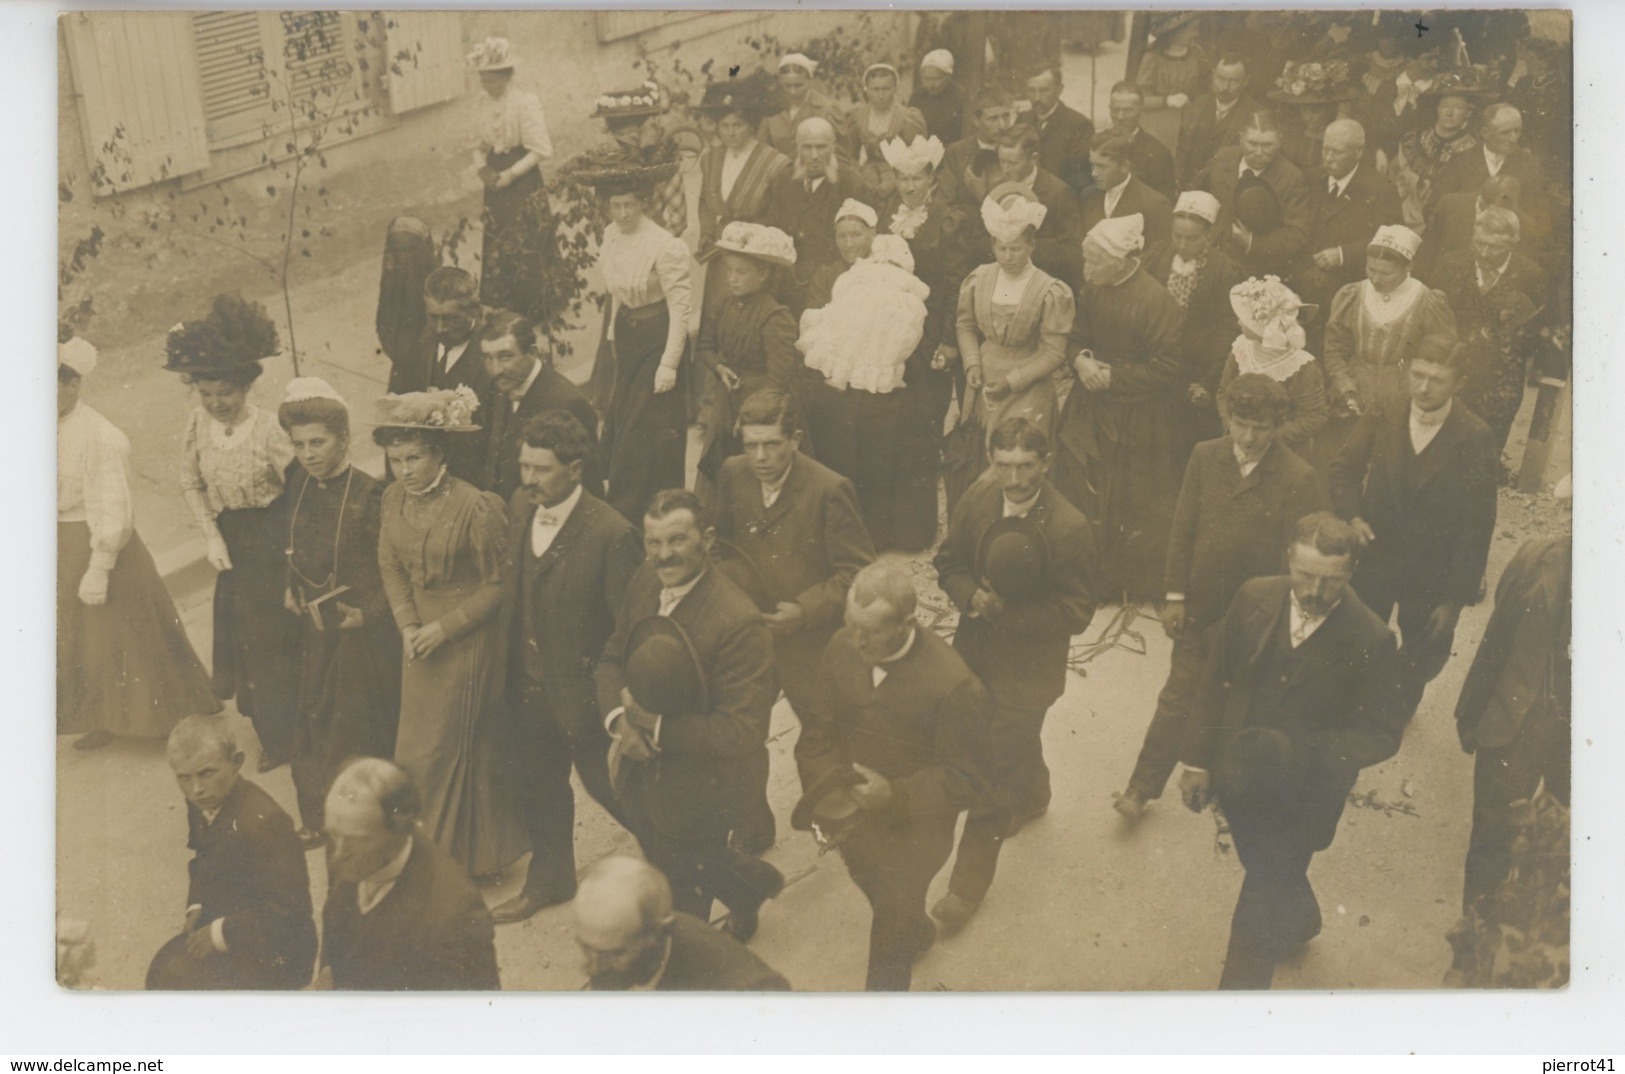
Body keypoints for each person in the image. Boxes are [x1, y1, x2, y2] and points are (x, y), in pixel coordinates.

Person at [1178, 512, 1405, 990]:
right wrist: (1197, 761)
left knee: (1257, 905)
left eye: (1330, 582)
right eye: (1304, 575)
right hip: (1238, 777)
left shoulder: (1370, 638)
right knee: (1266, 867)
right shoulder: (1254, 596)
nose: (1315, 592)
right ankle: (1300, 917)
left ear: (1350, 575)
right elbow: (1214, 679)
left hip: (1305, 797)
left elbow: (1382, 731)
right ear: (1288, 561)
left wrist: (1306, 750)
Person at [1114, 375, 1326, 818]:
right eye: (1240, 423)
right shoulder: (1204, 456)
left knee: (1242, 708)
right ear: (1227, 417)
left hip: (1256, 618)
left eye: (1261, 428)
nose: (1248, 438)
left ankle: (1229, 797)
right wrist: (1175, 594)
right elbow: (1183, 526)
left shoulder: (1298, 477)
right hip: (1200, 610)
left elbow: (1297, 560)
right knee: (1177, 699)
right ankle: (1140, 789)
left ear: (1278, 425)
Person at [930, 420, 1097, 934]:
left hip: (1029, 673)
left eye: (1026, 466)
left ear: (1046, 464)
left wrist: (1006, 614)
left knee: (991, 768)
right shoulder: (979, 500)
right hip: (974, 658)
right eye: (1003, 464)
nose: (1014, 478)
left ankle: (966, 888)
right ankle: (1034, 796)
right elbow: (948, 561)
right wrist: (968, 596)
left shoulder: (1070, 527)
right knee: (1007, 746)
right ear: (991, 460)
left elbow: (1077, 612)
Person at [795, 559, 993, 990]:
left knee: (889, 927)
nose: (856, 638)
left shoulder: (954, 684)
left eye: (870, 630)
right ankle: (917, 931)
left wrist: (896, 796)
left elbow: (968, 780)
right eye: (850, 624)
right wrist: (827, 794)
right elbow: (817, 734)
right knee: (872, 885)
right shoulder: (842, 645)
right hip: (853, 815)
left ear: (907, 623)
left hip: (916, 831)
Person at [597, 490, 786, 942]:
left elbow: (743, 731)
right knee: (680, 857)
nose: (664, 555)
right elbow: (611, 655)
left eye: (678, 540)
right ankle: (750, 888)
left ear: (708, 539)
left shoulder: (738, 620)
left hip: (705, 790)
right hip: (641, 773)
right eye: (654, 542)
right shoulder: (645, 579)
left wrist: (655, 728)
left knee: (682, 912)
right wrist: (622, 720)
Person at [491, 411, 643, 924]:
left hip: (585, 697)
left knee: (616, 792)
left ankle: (706, 871)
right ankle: (550, 880)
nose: (527, 479)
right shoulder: (520, 505)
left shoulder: (612, 533)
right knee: (537, 785)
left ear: (575, 469)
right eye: (524, 466)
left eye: (541, 469)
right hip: (528, 688)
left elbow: (629, 631)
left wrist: (618, 702)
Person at [712, 388, 876, 850]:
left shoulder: (829, 490)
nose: (760, 457)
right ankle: (751, 825)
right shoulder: (732, 475)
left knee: (822, 735)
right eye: (750, 445)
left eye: (772, 445)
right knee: (739, 732)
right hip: (753, 636)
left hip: (812, 641)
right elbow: (724, 544)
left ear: (796, 439)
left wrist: (805, 610)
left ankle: (836, 818)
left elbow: (858, 573)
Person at [374, 391, 528, 878]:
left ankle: (464, 864)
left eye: (414, 457)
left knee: (452, 751)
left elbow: (500, 588)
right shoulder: (392, 498)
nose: (405, 470)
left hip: (466, 641)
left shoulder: (476, 507)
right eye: (396, 459)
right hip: (418, 641)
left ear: (440, 452)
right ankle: (422, 858)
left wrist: (444, 627)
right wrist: (407, 625)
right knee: (416, 751)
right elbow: (390, 563)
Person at [57, 339, 220, 749]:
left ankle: (160, 720)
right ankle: (102, 716)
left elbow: (113, 506)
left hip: (101, 544)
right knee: (81, 639)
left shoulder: (101, 437)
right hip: (61, 542)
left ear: (74, 384)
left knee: (125, 635)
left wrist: (100, 565)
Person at [164, 294, 300, 771]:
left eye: (224, 392)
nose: (216, 403)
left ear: (245, 385)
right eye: (206, 393)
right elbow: (190, 481)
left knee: (274, 644)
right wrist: (211, 536)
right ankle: (269, 731)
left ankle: (290, 737)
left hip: (274, 542)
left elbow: (298, 492)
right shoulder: (198, 423)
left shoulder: (268, 431)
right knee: (243, 645)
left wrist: (291, 551)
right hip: (233, 543)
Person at [1329, 339, 1498, 720]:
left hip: (1431, 569)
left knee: (1421, 645)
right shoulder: (1385, 409)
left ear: (1459, 383)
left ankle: (1396, 712)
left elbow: (1478, 525)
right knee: (1359, 634)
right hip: (1375, 555)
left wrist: (1455, 600)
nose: (1423, 388)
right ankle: (1351, 706)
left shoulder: (1475, 436)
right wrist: (1353, 517)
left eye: (1437, 380)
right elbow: (1343, 469)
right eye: (1417, 375)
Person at [279, 379, 400, 850]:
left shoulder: (371, 496)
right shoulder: (301, 485)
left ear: (344, 440)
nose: (307, 454)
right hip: (316, 631)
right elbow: (293, 546)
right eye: (298, 444)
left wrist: (368, 614)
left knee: (353, 729)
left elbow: (395, 572)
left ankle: (370, 823)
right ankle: (320, 818)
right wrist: (290, 585)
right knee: (311, 720)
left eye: (318, 443)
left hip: (362, 636)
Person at [1451, 479, 1570, 954]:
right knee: (1493, 837)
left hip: (1587, 736)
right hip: (1517, 719)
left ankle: (1530, 951)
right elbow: (1497, 639)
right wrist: (1472, 708)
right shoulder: (1537, 558)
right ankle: (1472, 952)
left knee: (1562, 844)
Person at [1052, 213, 1186, 603]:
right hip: (1091, 406)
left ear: (1123, 262)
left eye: (1094, 261)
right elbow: (1076, 337)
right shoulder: (1094, 288)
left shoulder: (1155, 300)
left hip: (1137, 416)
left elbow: (1168, 368)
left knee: (1130, 501)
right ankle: (1086, 574)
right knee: (1083, 490)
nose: (1086, 269)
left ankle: (1128, 583)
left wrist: (1113, 378)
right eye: (1086, 260)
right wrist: (1080, 361)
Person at [568, 149, 693, 527]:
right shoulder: (610, 236)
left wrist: (669, 364)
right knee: (623, 426)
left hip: (657, 341)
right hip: (627, 339)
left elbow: (681, 309)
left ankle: (649, 513)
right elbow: (618, 295)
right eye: (615, 205)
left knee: (649, 435)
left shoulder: (665, 245)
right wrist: (610, 338)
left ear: (643, 203)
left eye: (629, 205)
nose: (622, 213)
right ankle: (625, 512)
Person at [146, 715, 316, 990]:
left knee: (173, 982)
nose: (196, 789)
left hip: (277, 950)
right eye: (184, 778)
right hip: (234, 920)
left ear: (236, 763)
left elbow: (290, 911)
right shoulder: (205, 799)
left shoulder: (265, 822)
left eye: (207, 773)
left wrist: (219, 932)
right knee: (164, 972)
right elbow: (203, 857)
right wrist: (196, 905)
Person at [317, 759, 500, 990]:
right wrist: (328, 968)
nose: (338, 853)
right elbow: (338, 911)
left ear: (398, 832)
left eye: (355, 841)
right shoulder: (348, 844)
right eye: (333, 835)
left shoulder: (453, 913)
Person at [798, 235, 930, 549]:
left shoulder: (853, 282)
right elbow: (907, 344)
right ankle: (876, 534)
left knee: (846, 458)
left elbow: (832, 324)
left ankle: (846, 532)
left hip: (841, 381)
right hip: (879, 385)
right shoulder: (907, 295)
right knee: (877, 463)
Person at [878, 133, 976, 548]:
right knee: (893, 425)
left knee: (923, 427)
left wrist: (950, 342)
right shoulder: (888, 214)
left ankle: (917, 530)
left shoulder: (950, 219)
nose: (910, 186)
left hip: (932, 333)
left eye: (918, 177)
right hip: (893, 331)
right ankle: (889, 524)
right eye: (902, 177)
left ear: (933, 178)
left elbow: (957, 285)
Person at [955, 185, 1076, 490]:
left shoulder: (1050, 290)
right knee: (980, 462)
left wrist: (1012, 382)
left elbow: (1054, 353)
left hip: (1028, 386)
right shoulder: (979, 278)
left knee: (1020, 462)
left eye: (1016, 248)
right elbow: (966, 325)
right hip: (983, 381)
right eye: (1001, 247)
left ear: (1031, 245)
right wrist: (972, 364)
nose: (1007, 256)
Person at [1319, 224, 1459, 443]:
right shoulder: (1352, 295)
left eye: (1385, 273)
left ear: (1408, 266)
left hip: (1405, 400)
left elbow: (1443, 355)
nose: (1375, 279)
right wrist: (1346, 388)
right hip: (1354, 396)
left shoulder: (1427, 301)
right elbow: (1335, 349)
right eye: (1371, 269)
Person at [576, 857, 791, 991]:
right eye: (585, 947)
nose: (594, 966)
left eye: (616, 953)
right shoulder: (610, 949)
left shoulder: (747, 992)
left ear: (662, 930)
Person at [693, 221, 800, 474]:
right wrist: (720, 368)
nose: (732, 279)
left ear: (762, 275)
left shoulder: (775, 317)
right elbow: (705, 346)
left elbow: (779, 381)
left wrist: (754, 414)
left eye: (741, 272)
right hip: (726, 401)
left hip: (764, 405)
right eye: (729, 271)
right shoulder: (724, 305)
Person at [1142, 191, 1246, 448]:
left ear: (1208, 236)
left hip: (1196, 366)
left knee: (1185, 435)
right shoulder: (1158, 257)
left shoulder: (1223, 270)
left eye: (1191, 238)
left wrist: (1207, 381)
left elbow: (1225, 329)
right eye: (1177, 236)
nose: (1182, 244)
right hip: (1155, 358)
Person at [466, 37, 554, 323]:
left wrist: (511, 174)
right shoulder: (481, 104)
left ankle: (534, 307)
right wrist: (483, 169)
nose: (486, 86)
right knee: (499, 238)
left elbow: (541, 149)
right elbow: (477, 144)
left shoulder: (524, 103)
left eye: (492, 81)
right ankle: (505, 303)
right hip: (495, 180)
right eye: (483, 80)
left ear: (507, 77)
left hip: (523, 180)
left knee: (526, 238)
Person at [475, 308, 600, 503]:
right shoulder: (499, 388)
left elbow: (589, 488)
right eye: (488, 358)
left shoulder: (568, 403)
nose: (495, 369)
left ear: (533, 352)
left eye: (505, 356)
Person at [693, 75, 791, 320]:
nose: (730, 132)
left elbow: (780, 212)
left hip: (756, 250)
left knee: (751, 314)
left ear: (751, 126)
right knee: (719, 310)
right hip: (723, 248)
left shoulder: (772, 162)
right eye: (724, 126)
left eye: (737, 125)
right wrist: (707, 233)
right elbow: (705, 202)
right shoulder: (711, 158)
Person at [1291, 119, 1403, 331]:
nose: (1328, 159)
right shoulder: (1312, 179)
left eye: (1337, 152)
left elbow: (1392, 241)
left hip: (1350, 289)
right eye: (1325, 150)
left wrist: (1343, 254)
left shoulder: (1380, 189)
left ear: (1358, 152)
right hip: (1303, 283)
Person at [761, 116, 872, 315]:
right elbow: (772, 231)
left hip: (832, 285)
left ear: (833, 146)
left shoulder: (849, 182)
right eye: (807, 147)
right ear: (797, 147)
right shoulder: (784, 180)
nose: (814, 155)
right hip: (789, 283)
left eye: (821, 147)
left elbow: (862, 240)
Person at [1217, 277, 1329, 459]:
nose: (1239, 322)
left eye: (1244, 319)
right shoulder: (1240, 349)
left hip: (1281, 451)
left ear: (1264, 325)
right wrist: (1234, 428)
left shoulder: (1302, 366)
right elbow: (1224, 392)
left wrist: (1264, 437)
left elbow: (1313, 418)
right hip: (1237, 443)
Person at [1431, 205, 1549, 356]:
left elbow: (1541, 333)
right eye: (1479, 243)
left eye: (1495, 247)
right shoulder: (1450, 265)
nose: (1484, 253)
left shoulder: (1532, 275)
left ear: (1513, 244)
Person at [414, 267, 493, 486]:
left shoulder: (490, 358)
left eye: (451, 318)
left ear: (474, 311)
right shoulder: (425, 340)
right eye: (433, 317)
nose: (440, 328)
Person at [1207, 112, 1311, 278]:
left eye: (1267, 145)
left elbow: (1296, 235)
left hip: (1255, 269)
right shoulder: (1224, 157)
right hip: (1212, 258)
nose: (1259, 152)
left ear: (1279, 142)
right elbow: (1199, 190)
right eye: (1252, 143)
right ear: (1241, 138)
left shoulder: (1292, 178)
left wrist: (1252, 242)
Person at [989, 124, 1085, 287]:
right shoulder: (996, 189)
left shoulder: (1059, 193)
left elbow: (1073, 252)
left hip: (1043, 283)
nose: (1005, 170)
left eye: (1012, 163)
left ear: (1033, 158)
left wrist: (1024, 248)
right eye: (1001, 161)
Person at [592, 80, 688, 237]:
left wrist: (648, 249)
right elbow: (600, 220)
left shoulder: (664, 164)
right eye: (620, 136)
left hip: (655, 246)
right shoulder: (605, 166)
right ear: (614, 135)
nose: (627, 143)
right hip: (617, 248)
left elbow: (678, 220)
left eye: (634, 136)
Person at [1391, 82, 1488, 230]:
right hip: (1403, 215)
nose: (1449, 113)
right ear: (1437, 109)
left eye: (1458, 107)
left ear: (1468, 112)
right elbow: (1397, 179)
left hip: (1445, 222)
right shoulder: (1411, 140)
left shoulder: (1474, 150)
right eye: (1444, 106)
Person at [1430, 104, 1544, 217]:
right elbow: (1435, 208)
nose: (1513, 139)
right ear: (1485, 133)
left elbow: (1536, 211)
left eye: (1517, 131)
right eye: (1505, 133)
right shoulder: (1459, 162)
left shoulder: (1528, 163)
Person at [1080, 132, 1174, 257]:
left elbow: (1157, 258)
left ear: (1125, 166)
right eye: (1092, 165)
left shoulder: (1154, 204)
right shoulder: (1088, 196)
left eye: (1102, 166)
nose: (1094, 173)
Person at [1175, 55, 1258, 193]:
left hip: (1224, 191)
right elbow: (1181, 149)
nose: (1225, 87)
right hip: (1185, 189)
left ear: (1246, 81)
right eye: (1221, 79)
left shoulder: (1254, 114)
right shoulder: (1195, 105)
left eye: (1233, 82)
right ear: (1213, 75)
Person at [1417, 174, 1525, 280]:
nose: (1504, 216)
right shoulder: (1450, 205)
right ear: (1482, 203)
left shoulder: (1518, 219)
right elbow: (1425, 252)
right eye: (1499, 212)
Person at [847, 63, 928, 201]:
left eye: (886, 89)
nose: (881, 95)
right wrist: (859, 179)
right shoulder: (858, 116)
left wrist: (895, 182)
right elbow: (851, 154)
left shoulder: (907, 118)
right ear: (866, 89)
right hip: (867, 179)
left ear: (895, 89)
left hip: (899, 180)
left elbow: (917, 156)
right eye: (875, 89)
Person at [375, 216, 437, 394]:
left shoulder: (433, 279)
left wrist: (417, 349)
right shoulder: (392, 279)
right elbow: (383, 321)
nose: (403, 257)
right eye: (397, 251)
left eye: (409, 250)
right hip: (402, 362)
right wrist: (395, 349)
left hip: (428, 362)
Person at [1135, 14, 1209, 153]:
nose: (1197, 34)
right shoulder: (1152, 58)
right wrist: (1166, 101)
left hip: (1189, 122)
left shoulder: (1197, 53)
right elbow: (1139, 99)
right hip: (1158, 125)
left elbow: (1205, 85)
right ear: (1175, 31)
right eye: (1192, 30)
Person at [1015, 64, 1094, 194]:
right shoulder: (1022, 119)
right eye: (1031, 90)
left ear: (1060, 89)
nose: (1037, 98)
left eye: (1044, 90)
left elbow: (1081, 178)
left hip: (1060, 201)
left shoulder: (1079, 125)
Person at [937, 85, 1018, 209]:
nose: (1002, 125)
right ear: (975, 121)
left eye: (1006, 116)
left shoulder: (1018, 150)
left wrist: (982, 195)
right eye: (993, 118)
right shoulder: (956, 152)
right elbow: (944, 203)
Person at [1098, 82, 1177, 201]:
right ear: (1109, 108)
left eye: (1128, 111)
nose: (1120, 117)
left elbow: (1164, 202)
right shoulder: (1097, 145)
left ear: (1141, 110)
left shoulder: (1158, 153)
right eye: (1115, 110)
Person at [759, 53, 845, 160]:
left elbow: (842, 156)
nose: (793, 92)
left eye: (798, 85)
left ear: (810, 81)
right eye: (787, 86)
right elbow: (763, 151)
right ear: (780, 82)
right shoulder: (772, 111)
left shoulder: (827, 109)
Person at [909, 49, 965, 144]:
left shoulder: (960, 96)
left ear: (948, 77)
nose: (930, 85)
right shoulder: (918, 96)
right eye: (926, 79)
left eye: (935, 79)